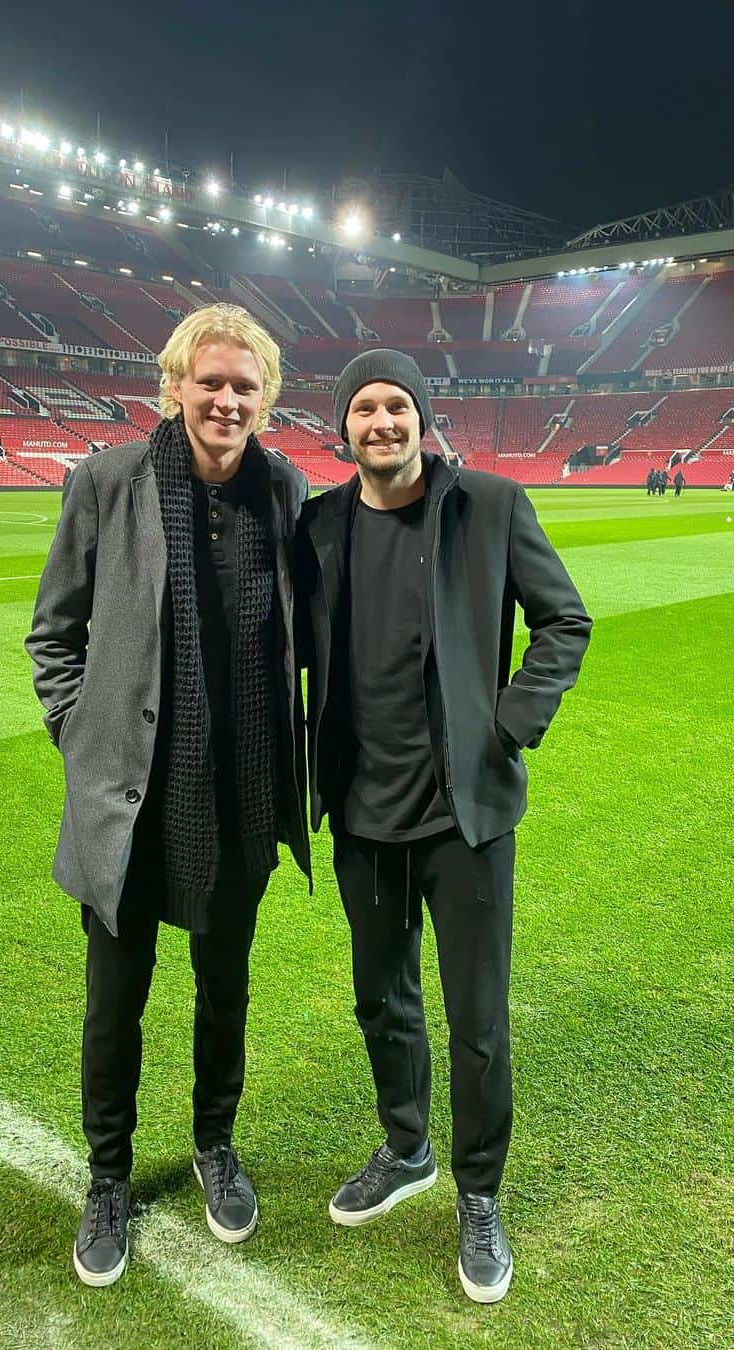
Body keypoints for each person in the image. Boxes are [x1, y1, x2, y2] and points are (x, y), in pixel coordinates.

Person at [297, 350, 591, 1304]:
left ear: (422, 417)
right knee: (381, 999)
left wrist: (509, 725)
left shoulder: (491, 506)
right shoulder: (320, 525)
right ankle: (407, 1145)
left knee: (476, 1019)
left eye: (396, 405)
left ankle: (478, 1194)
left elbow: (564, 623)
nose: (380, 422)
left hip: (465, 818)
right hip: (362, 814)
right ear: (342, 428)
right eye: (363, 409)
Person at [26, 304, 311, 1287]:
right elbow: (52, 635)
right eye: (211, 381)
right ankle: (107, 1178)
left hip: (239, 799)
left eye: (246, 385)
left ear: (265, 398)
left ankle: (213, 1144)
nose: (227, 399)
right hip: (131, 806)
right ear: (177, 386)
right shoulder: (109, 482)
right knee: (116, 1007)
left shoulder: (285, 488)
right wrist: (80, 740)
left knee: (224, 994)